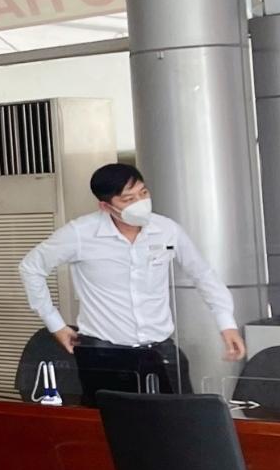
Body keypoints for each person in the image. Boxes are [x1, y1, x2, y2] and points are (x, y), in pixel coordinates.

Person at [18, 163, 245, 388]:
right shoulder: (80, 233)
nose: (140, 203)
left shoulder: (166, 229)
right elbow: (31, 267)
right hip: (104, 354)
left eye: (143, 193)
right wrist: (55, 324)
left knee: (181, 410)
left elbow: (203, 274)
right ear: (105, 206)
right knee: (111, 412)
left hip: (160, 350)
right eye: (128, 199)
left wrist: (226, 323)